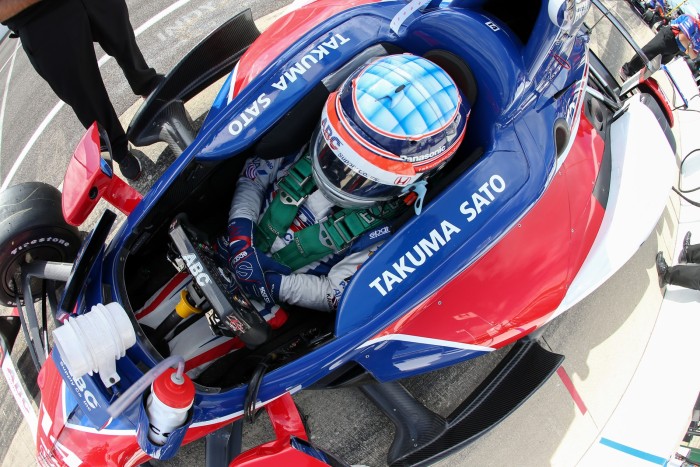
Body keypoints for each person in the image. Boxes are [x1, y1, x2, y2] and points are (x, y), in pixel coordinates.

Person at [217, 54, 469, 315]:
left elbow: (337, 293)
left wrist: (275, 286)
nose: (338, 173)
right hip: (233, 243)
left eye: (360, 174)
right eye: (334, 154)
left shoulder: (387, 230)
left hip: (268, 302)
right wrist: (240, 236)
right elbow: (254, 176)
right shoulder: (304, 141)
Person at [0, 0, 164, 181]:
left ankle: (149, 90)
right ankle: (119, 151)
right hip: (38, 16)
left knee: (124, 40)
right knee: (85, 94)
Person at [619, 13, 700, 81]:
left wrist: (688, 47)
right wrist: (689, 48)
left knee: (654, 66)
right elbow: (682, 38)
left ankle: (635, 78)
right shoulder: (692, 21)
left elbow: (694, 55)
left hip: (676, 49)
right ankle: (626, 70)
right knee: (648, 53)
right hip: (668, 37)